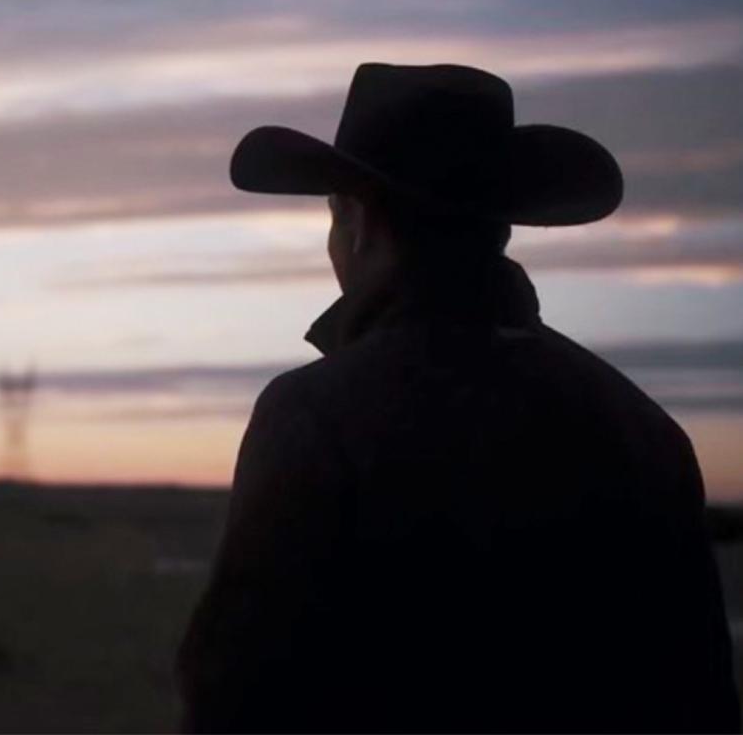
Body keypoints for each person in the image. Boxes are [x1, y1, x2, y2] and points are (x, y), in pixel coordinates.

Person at [176, 64, 739, 732]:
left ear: (356, 221)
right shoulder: (643, 428)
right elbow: (701, 699)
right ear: (498, 228)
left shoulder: (318, 415)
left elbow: (239, 701)